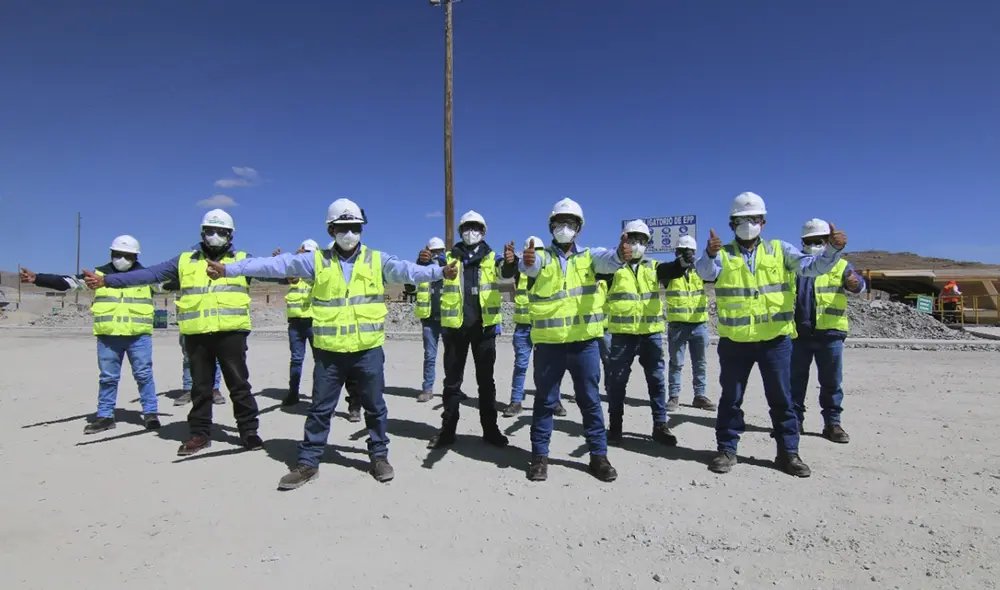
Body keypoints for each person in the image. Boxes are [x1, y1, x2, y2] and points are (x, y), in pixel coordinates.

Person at [209, 198, 453, 488]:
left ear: (361, 229)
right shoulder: (316, 261)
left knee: (375, 407)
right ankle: (308, 462)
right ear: (331, 230)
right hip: (329, 354)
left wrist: (439, 272)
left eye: (354, 227)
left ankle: (379, 456)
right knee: (320, 409)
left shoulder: (378, 260)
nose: (349, 233)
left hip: (367, 350)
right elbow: (276, 264)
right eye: (342, 227)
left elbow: (409, 271)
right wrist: (230, 270)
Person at [83, 209, 263, 457]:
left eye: (220, 232)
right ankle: (199, 434)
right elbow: (149, 274)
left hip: (231, 334)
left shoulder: (243, 259)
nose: (214, 236)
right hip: (197, 334)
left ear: (230, 235)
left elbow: (271, 270)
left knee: (239, 385)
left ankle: (248, 431)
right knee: (200, 388)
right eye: (209, 231)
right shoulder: (184, 260)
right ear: (202, 233)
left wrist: (290, 276)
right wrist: (108, 281)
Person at [695, 192, 848, 478]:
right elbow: (704, 272)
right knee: (731, 399)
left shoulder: (780, 250)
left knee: (782, 399)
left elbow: (812, 267)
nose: (747, 224)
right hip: (735, 342)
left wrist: (831, 252)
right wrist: (710, 254)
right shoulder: (723, 254)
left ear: (763, 222)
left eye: (753, 219)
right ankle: (727, 449)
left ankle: (788, 453)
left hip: (775, 341)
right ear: (731, 224)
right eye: (741, 220)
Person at [519, 197, 628, 482]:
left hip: (584, 345)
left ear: (578, 228)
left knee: (590, 401)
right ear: (551, 226)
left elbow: (610, 260)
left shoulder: (590, 256)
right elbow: (530, 266)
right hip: (549, 346)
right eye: (559, 223)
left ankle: (598, 457)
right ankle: (539, 458)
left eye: (570, 223)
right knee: (544, 402)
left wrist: (620, 253)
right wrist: (527, 261)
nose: (564, 228)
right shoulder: (542, 256)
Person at [20, 235, 160, 434]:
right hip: (108, 337)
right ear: (111, 254)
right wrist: (37, 279)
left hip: (138, 337)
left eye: (127, 255)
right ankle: (105, 416)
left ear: (135, 257)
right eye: (118, 254)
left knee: (144, 375)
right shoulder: (98, 276)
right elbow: (68, 282)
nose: (122, 258)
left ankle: (151, 414)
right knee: (108, 378)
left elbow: (177, 283)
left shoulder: (146, 276)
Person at [428, 211, 515, 449]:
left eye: (476, 227)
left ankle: (490, 430)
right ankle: (448, 430)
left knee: (486, 382)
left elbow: (505, 272)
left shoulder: (492, 257)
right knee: (452, 383)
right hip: (455, 330)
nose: (471, 231)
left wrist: (510, 263)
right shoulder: (448, 258)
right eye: (466, 227)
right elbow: (428, 270)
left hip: (483, 329)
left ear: (484, 231)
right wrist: (423, 261)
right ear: (460, 232)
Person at [605, 219, 693, 446]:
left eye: (642, 240)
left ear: (648, 244)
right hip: (622, 335)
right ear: (623, 240)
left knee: (656, 381)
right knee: (616, 383)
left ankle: (660, 426)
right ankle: (615, 428)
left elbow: (672, 269)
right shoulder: (612, 268)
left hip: (650, 335)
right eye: (633, 239)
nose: (637, 244)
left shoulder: (653, 267)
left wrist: (683, 262)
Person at [790, 218, 865, 444]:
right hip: (798, 335)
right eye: (810, 240)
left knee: (831, 383)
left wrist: (855, 284)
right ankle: (795, 421)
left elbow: (859, 286)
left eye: (820, 240)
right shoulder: (795, 266)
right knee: (795, 382)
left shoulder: (841, 265)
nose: (814, 244)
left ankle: (832, 424)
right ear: (802, 241)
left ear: (827, 241)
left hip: (830, 334)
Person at [502, 236, 565, 418]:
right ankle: (516, 401)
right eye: (531, 251)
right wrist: (510, 259)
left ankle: (554, 401)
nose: (534, 255)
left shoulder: (550, 271)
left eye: (538, 251)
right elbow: (508, 268)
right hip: (523, 328)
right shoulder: (519, 272)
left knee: (549, 367)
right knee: (521, 366)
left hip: (545, 326)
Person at [664, 234, 717, 413]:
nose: (687, 254)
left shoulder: (700, 271)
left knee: (700, 362)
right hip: (678, 326)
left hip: (699, 324)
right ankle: (674, 396)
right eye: (683, 251)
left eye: (690, 251)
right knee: (676, 363)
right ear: (676, 252)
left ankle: (699, 396)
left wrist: (708, 254)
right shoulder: (670, 271)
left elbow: (710, 271)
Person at [281, 239, 321, 407]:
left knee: (320, 361)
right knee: (296, 359)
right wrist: (294, 260)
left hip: (314, 321)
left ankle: (317, 396)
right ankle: (293, 393)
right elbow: (290, 278)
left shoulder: (318, 271)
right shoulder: (295, 270)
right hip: (296, 322)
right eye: (306, 254)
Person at [414, 237, 446, 403]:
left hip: (448, 318)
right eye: (433, 252)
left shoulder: (449, 265)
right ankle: (427, 389)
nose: (435, 255)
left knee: (452, 357)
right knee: (430, 356)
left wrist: (442, 260)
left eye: (439, 251)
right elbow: (412, 277)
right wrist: (421, 261)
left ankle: (452, 389)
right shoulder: (421, 267)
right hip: (429, 319)